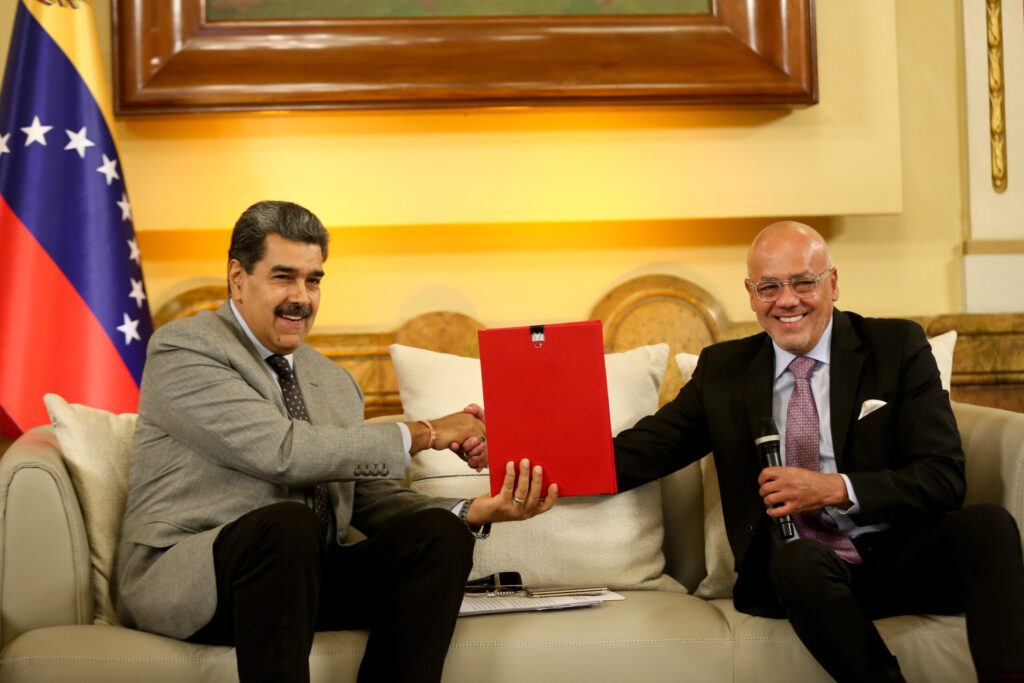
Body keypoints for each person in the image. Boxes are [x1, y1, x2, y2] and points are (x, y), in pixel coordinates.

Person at [113, 200, 557, 683]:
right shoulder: (185, 348)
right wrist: (425, 433)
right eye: (283, 277)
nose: (301, 297)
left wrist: (475, 510)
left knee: (439, 538)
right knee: (287, 525)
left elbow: (367, 498)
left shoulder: (333, 380)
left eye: (314, 280)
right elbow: (283, 453)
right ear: (237, 278)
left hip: (307, 577)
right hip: (200, 582)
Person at [612, 221, 1024, 682]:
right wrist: (533, 470)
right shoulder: (724, 372)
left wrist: (833, 488)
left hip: (898, 554)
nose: (786, 300)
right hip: (798, 575)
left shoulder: (896, 347)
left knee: (989, 526)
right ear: (751, 295)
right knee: (796, 555)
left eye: (803, 282)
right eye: (768, 286)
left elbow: (943, 478)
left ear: (833, 283)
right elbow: (644, 450)